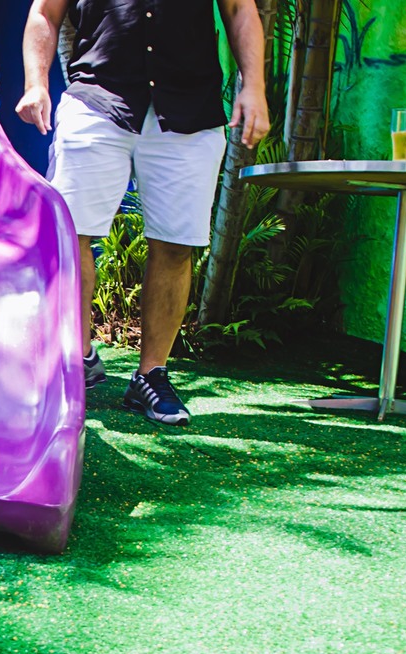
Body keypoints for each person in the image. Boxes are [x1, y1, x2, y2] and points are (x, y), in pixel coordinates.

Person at [16, 0, 269, 425]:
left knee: (175, 244)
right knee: (68, 234)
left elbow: (240, 10)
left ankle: (151, 375)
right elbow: (44, 13)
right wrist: (36, 82)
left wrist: (254, 86)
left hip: (191, 107)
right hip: (97, 98)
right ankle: (75, 360)